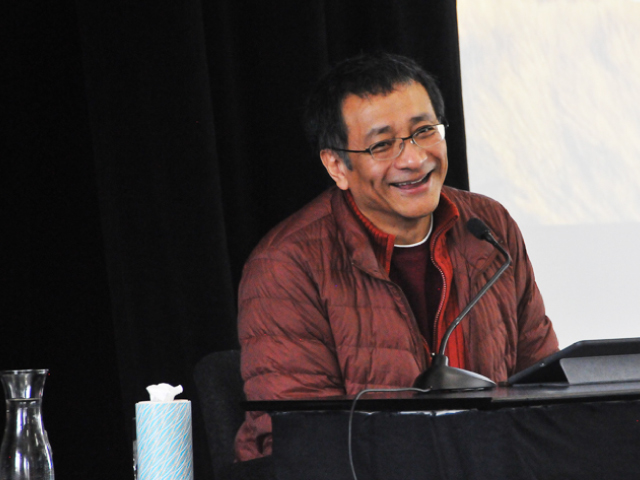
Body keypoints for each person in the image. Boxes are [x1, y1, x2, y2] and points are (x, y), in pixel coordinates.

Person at [234, 52, 558, 461]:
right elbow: (303, 444)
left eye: (425, 131)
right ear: (337, 165)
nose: (414, 159)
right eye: (382, 145)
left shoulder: (488, 227)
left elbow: (545, 389)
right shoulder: (286, 266)